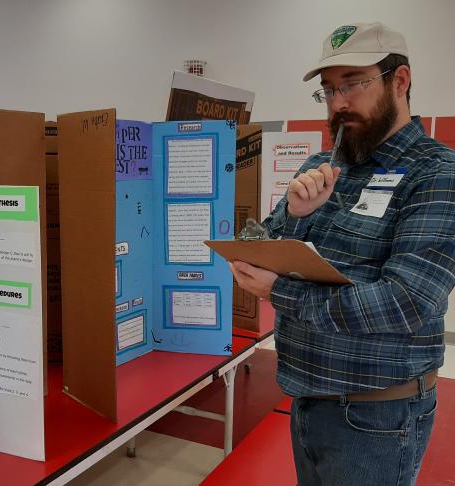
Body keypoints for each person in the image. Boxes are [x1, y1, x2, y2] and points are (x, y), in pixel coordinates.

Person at [230, 22, 455, 485]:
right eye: (329, 90)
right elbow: (268, 245)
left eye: (353, 84)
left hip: (378, 416)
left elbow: (405, 302)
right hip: (307, 398)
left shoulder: (437, 174)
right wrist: (294, 214)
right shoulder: (321, 166)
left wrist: (280, 292)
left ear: (400, 81)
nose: (338, 103)